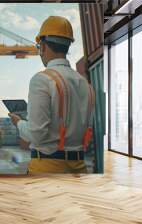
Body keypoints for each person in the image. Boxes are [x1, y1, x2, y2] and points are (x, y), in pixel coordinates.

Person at [9, 16, 95, 174]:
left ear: (42, 45)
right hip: (79, 169)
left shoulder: (41, 80)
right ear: (68, 45)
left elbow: (37, 134)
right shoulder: (85, 84)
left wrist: (19, 123)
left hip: (47, 169)